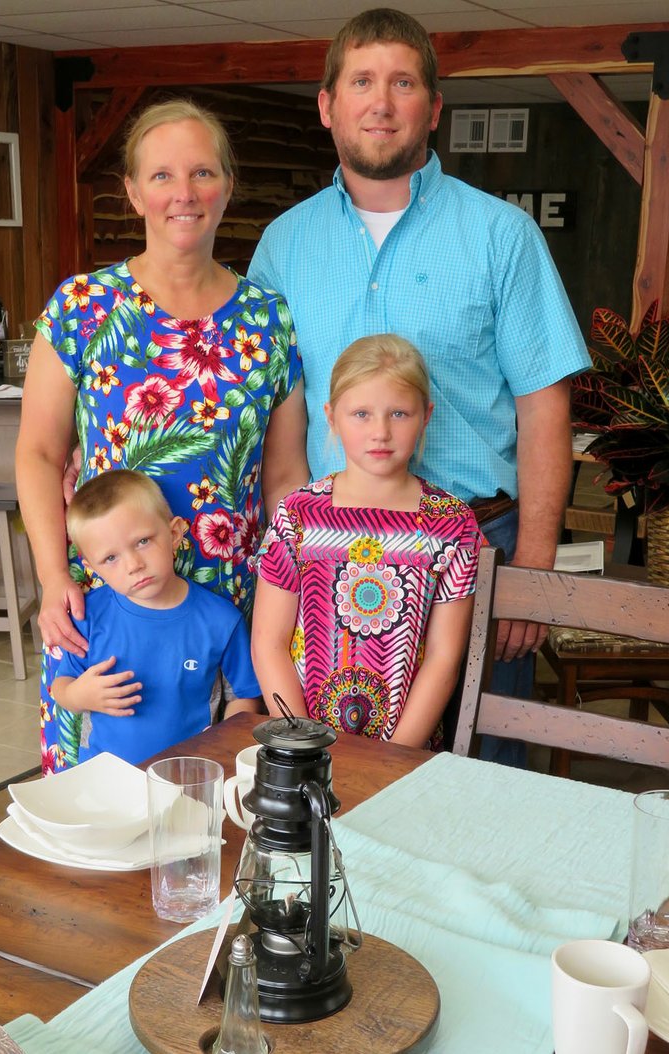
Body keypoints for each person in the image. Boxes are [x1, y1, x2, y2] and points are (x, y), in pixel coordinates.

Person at [247, 8, 591, 764]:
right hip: (327, 554)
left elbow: (544, 408)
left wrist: (534, 566)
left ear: (432, 108)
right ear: (328, 106)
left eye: (403, 82)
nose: (381, 101)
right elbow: (280, 406)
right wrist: (294, 543)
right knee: (328, 773)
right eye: (362, 82)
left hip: (481, 545)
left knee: (486, 776)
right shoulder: (284, 245)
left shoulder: (501, 235)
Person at [16, 98, 308, 774]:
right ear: (132, 192)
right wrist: (52, 572)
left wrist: (285, 596)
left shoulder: (269, 322)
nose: (184, 193)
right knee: (104, 801)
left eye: (203, 173)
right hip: (112, 601)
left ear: (228, 186)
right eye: (162, 176)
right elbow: (37, 452)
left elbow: (286, 478)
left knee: (216, 801)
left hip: (229, 608)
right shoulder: (83, 309)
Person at [251, 335, 482, 750]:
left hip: (403, 753)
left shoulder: (451, 526)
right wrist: (302, 743)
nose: (380, 432)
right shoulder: (297, 516)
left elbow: (445, 660)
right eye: (361, 414)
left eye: (399, 413)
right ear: (331, 416)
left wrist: (393, 757)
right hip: (304, 746)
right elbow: (269, 643)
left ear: (426, 416)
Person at [52, 471, 260, 766]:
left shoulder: (221, 620)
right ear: (93, 567)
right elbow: (61, 686)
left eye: (143, 542)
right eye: (111, 558)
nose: (134, 565)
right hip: (102, 777)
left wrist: (223, 749)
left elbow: (244, 696)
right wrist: (80, 696)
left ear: (174, 534)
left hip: (188, 775)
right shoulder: (89, 615)